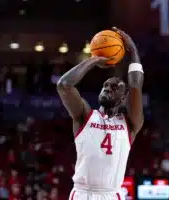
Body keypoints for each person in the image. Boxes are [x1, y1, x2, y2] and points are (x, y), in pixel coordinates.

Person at [57, 27, 144, 200]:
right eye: (105, 86)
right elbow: (64, 85)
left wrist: (133, 50)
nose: (107, 88)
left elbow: (135, 86)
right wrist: (93, 60)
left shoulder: (130, 124)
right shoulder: (85, 116)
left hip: (112, 195)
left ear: (124, 98)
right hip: (82, 194)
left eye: (114, 86)